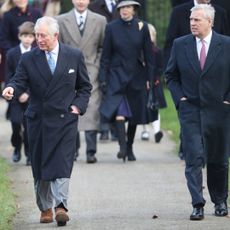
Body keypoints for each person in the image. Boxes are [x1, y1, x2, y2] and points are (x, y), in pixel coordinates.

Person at [2, 16, 92, 226]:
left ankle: (61, 206)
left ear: (55, 35)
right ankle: (45, 207)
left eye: (43, 35)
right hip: (38, 120)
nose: (38, 39)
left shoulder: (73, 55)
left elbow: (85, 87)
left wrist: (77, 107)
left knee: (61, 163)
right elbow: (18, 80)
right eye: (36, 35)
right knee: (41, 166)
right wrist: (11, 89)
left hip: (65, 119)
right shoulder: (29, 58)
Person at [165, 4, 230, 220]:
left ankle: (220, 201)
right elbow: (171, 75)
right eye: (191, 20)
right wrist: (180, 99)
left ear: (210, 22)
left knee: (218, 159)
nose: (192, 23)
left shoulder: (226, 44)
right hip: (191, 110)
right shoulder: (180, 44)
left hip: (219, 111)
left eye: (197, 20)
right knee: (193, 157)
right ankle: (197, 204)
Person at [99, 0, 155, 162]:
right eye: (122, 7)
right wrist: (103, 78)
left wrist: (149, 79)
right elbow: (105, 57)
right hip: (116, 76)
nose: (125, 10)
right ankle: (122, 147)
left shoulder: (142, 27)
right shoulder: (111, 28)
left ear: (134, 9)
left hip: (136, 76)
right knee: (119, 113)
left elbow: (149, 56)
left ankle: (129, 147)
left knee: (134, 116)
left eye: (128, 7)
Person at [57, 0, 106, 164]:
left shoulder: (100, 20)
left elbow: (102, 47)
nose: (80, 1)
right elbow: (59, 46)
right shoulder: (61, 20)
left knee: (92, 108)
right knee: (72, 107)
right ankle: (74, 150)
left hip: (91, 69)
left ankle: (91, 151)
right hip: (68, 70)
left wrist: (97, 65)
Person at [5, 21, 35, 165]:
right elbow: (9, 75)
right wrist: (16, 93)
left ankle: (29, 153)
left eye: (30, 36)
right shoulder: (12, 54)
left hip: (31, 97)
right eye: (25, 36)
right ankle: (17, 147)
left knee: (29, 127)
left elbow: (37, 77)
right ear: (19, 36)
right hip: (16, 97)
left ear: (34, 38)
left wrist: (28, 93)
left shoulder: (37, 53)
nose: (28, 39)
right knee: (16, 123)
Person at [141, 23, 166, 143]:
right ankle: (144, 130)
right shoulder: (139, 52)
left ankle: (157, 131)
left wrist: (156, 78)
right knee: (143, 107)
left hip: (154, 83)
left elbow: (161, 67)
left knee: (155, 107)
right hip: (142, 83)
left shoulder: (157, 51)